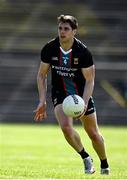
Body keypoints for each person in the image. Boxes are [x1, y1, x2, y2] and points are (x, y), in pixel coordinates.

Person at [34, 14, 110, 175]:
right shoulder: (50, 48)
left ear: (74, 31)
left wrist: (84, 102)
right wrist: (42, 100)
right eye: (60, 28)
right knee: (66, 128)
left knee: (94, 134)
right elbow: (41, 75)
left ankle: (104, 165)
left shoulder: (83, 52)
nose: (62, 32)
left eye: (66, 29)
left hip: (82, 94)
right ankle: (86, 158)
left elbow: (90, 81)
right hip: (60, 93)